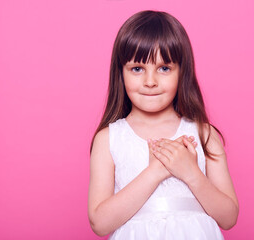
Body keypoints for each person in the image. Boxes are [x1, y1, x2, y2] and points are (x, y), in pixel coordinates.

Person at [88, 10, 239, 240]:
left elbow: (228, 218)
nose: (150, 81)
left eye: (164, 68)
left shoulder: (203, 134)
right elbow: (99, 223)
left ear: (182, 72)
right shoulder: (109, 139)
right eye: (137, 69)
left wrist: (191, 173)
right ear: (121, 72)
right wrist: (156, 172)